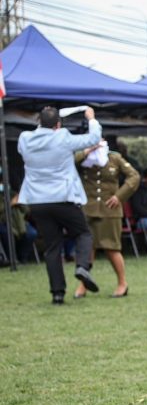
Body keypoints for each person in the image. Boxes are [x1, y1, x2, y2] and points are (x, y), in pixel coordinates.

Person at [17, 106, 102, 303]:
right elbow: (93, 138)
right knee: (83, 233)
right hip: (63, 197)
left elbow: (25, 150)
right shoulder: (63, 136)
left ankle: (57, 293)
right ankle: (82, 266)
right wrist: (91, 119)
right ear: (58, 124)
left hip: (37, 201)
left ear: (39, 121)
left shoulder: (24, 138)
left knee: (52, 247)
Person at [73, 140, 140, 297]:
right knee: (87, 248)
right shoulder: (82, 158)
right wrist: (86, 151)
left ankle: (122, 283)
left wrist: (119, 196)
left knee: (112, 248)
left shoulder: (114, 158)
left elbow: (134, 176)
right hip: (88, 208)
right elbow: (67, 163)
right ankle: (83, 284)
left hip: (110, 210)